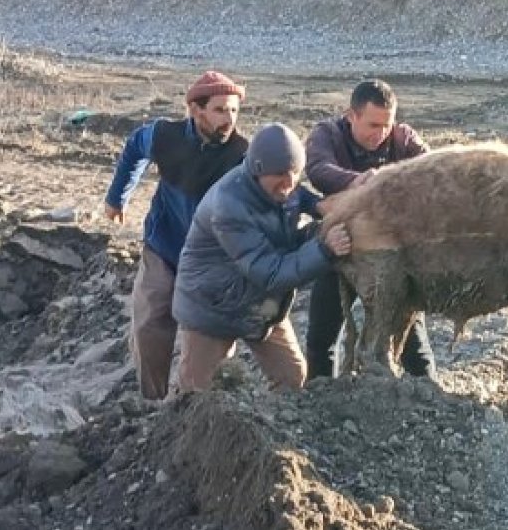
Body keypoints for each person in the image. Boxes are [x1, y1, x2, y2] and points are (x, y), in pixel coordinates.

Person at [172, 123, 353, 392]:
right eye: (280, 174)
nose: (289, 183)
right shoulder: (229, 206)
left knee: (292, 378)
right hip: (212, 306)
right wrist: (324, 249)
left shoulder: (283, 189)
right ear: (257, 169)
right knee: (197, 394)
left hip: (258, 306)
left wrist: (319, 211)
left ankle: (273, 431)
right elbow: (270, 273)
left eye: (294, 173)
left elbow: (295, 207)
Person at [104, 70, 248, 399]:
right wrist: (117, 197)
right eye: (221, 110)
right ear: (196, 110)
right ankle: (151, 401)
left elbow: (273, 192)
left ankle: (192, 407)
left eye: (235, 110)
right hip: (164, 245)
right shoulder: (164, 136)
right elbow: (133, 149)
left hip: (212, 259)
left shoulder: (241, 154)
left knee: (207, 342)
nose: (230, 119)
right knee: (150, 325)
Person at [303, 79, 436, 380]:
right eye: (373, 125)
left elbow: (432, 171)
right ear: (352, 116)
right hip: (340, 249)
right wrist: (361, 182)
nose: (381, 134)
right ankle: (319, 399)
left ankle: (432, 399)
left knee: (413, 341)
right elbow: (318, 169)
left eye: (386, 125)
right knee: (322, 336)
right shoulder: (329, 134)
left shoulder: (403, 139)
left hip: (392, 259)